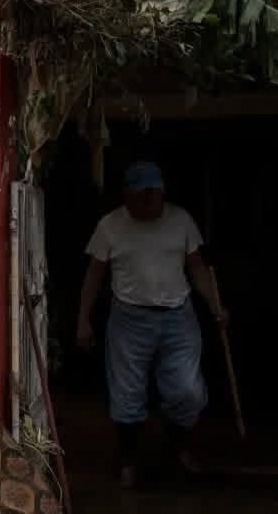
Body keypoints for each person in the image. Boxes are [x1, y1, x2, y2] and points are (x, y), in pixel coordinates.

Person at [77, 161, 226, 488]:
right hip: (129, 318)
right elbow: (94, 275)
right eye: (142, 194)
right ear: (127, 195)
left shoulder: (181, 220)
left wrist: (215, 305)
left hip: (177, 316)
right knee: (127, 393)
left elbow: (197, 267)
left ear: (163, 191)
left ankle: (177, 447)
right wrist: (83, 319)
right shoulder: (110, 226)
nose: (149, 200)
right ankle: (129, 459)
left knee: (187, 390)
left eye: (155, 193)